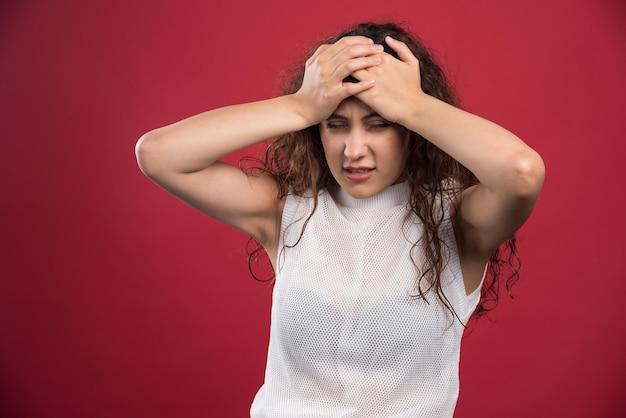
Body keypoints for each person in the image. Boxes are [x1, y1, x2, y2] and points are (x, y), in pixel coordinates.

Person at [136, 22, 544, 418]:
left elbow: (522, 173)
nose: (353, 150)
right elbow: (159, 154)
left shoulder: (456, 220)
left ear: (409, 130)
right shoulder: (288, 210)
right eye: (335, 124)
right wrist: (299, 104)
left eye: (379, 124)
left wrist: (413, 104)